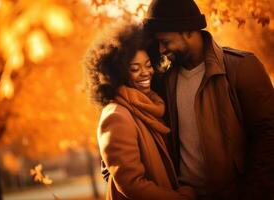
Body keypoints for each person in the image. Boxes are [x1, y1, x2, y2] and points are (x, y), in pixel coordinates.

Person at [143, 0, 274, 200]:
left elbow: (268, 134)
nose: (161, 50)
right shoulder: (164, 82)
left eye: (165, 42)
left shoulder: (241, 67)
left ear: (188, 31)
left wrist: (252, 193)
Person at [84, 23, 196, 200]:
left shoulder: (151, 106)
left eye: (148, 65)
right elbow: (132, 185)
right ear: (118, 74)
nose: (145, 73)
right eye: (135, 69)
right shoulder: (116, 117)